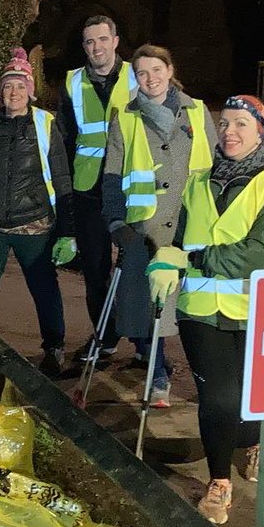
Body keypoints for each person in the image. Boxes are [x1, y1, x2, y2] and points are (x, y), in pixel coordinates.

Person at [146, 95, 264, 524]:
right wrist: (165, 258)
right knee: (219, 396)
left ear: (260, 132)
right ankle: (219, 481)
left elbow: (259, 253)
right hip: (200, 309)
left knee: (251, 400)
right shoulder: (198, 181)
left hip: (256, 309)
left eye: (241, 125)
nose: (230, 132)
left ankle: (252, 444)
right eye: (225, 123)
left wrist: (191, 259)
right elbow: (179, 238)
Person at [102, 44, 217, 407]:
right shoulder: (126, 116)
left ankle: (206, 380)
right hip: (146, 229)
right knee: (151, 309)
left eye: (156, 70)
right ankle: (158, 377)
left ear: (170, 70)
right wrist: (117, 220)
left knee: (194, 307)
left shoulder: (196, 112)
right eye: (141, 73)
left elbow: (216, 166)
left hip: (191, 224)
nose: (149, 79)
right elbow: (111, 173)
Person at [0, 49, 74, 376]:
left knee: (45, 291)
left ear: (30, 91)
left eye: (20, 86)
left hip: (34, 225)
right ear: (0, 91)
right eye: (8, 86)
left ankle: (54, 349)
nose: (14, 92)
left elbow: (62, 180)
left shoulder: (46, 125)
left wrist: (67, 230)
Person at [59, 15, 137, 361]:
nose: (97, 47)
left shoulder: (139, 75)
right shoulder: (73, 82)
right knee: (95, 269)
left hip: (131, 185)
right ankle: (105, 339)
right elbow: (64, 136)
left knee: (137, 267)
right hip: (88, 187)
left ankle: (143, 344)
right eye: (90, 42)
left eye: (102, 39)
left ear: (116, 41)